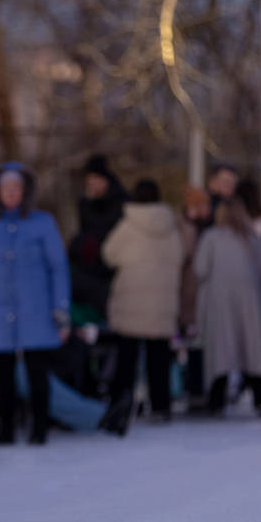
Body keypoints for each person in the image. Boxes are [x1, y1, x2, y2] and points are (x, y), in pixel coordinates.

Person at [0, 161, 70, 445]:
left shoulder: (42, 222)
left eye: (16, 187)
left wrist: (61, 309)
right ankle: (6, 428)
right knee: (3, 374)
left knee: (37, 374)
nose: (11, 193)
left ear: (25, 191)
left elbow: (58, 267)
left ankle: (39, 429)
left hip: (37, 310)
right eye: (5, 187)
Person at [97, 179, 183, 431]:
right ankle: (161, 406)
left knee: (127, 358)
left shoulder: (128, 224)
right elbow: (179, 257)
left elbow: (109, 254)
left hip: (131, 301)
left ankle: (122, 404)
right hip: (161, 302)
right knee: (159, 358)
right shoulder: (171, 226)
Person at [195, 196, 261, 416]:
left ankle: (216, 399)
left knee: (221, 352)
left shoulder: (211, 238)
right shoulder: (254, 241)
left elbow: (200, 269)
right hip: (251, 305)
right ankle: (260, 398)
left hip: (219, 304)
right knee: (253, 351)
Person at [68, 154, 128, 325]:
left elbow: (101, 231)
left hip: (108, 265)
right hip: (91, 263)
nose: (90, 185)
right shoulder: (88, 202)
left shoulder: (118, 202)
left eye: (93, 180)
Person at [178, 186, 212, 411]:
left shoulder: (203, 228)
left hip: (198, 292)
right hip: (188, 293)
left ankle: (198, 390)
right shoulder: (186, 228)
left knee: (198, 344)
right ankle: (194, 391)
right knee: (192, 344)